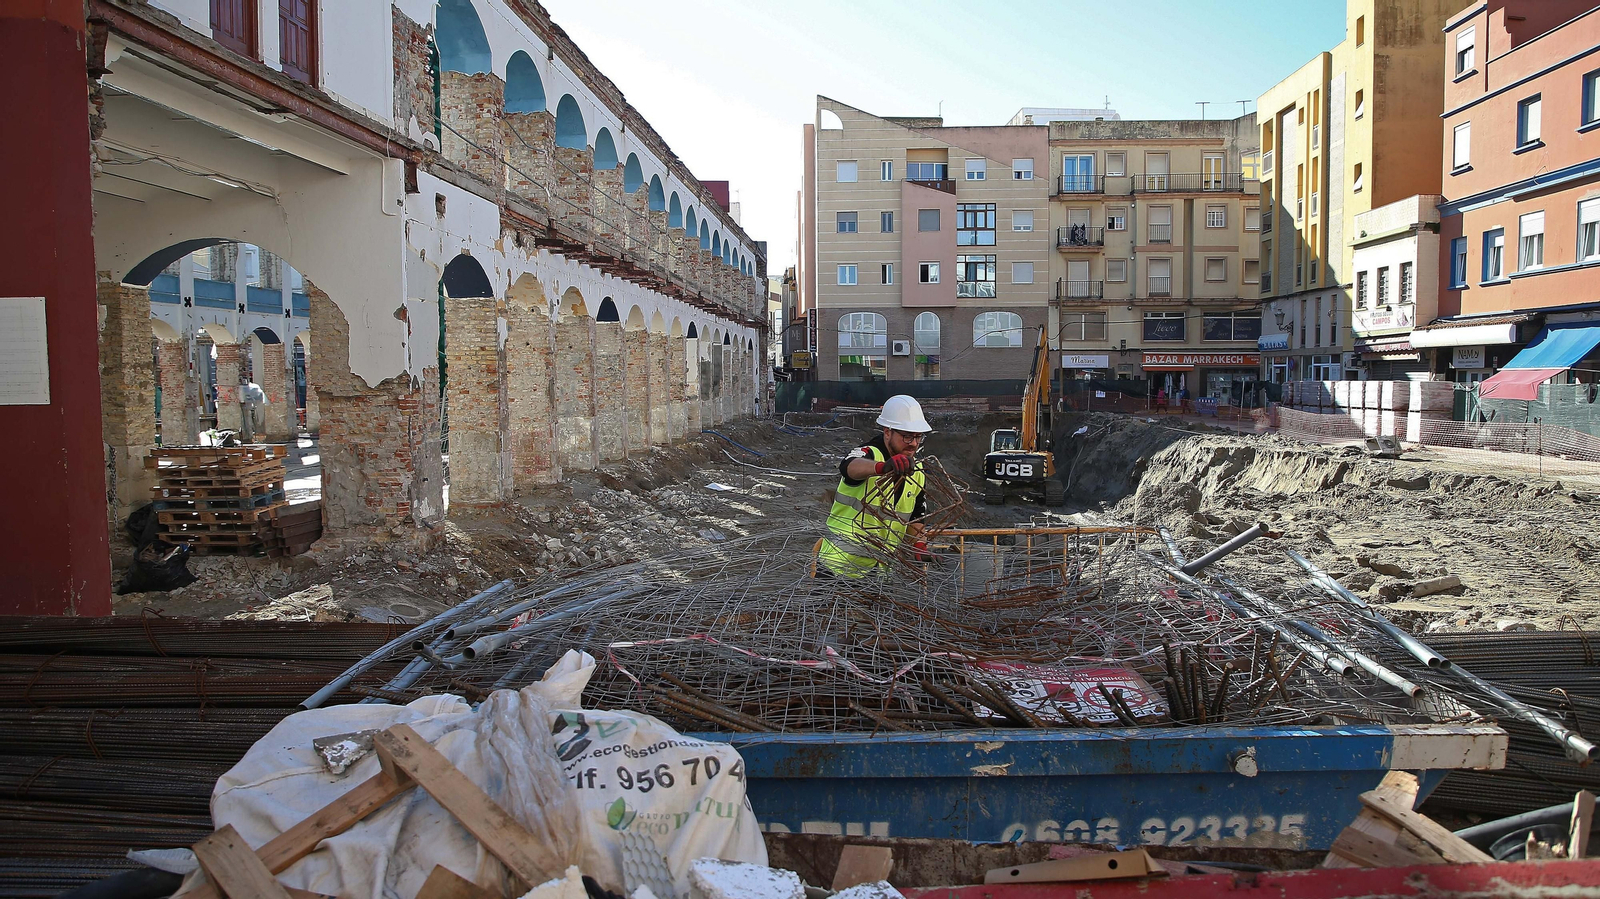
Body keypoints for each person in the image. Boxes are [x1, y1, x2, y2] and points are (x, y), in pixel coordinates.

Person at [817, 395, 932, 578]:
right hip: (837, 569)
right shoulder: (868, 454)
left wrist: (919, 545)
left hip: (880, 574)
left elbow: (916, 516)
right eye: (907, 436)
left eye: (918, 437)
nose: (914, 443)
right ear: (887, 432)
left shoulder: (917, 471)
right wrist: (882, 468)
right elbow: (848, 467)